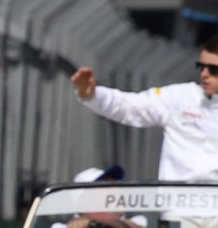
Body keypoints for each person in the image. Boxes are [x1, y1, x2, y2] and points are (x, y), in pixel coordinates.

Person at [71, 36, 218, 181]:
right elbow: (129, 106)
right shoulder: (179, 97)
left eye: (213, 69)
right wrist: (91, 94)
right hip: (173, 202)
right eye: (201, 67)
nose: (204, 74)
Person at [23, 164, 147, 228]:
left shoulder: (135, 223)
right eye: (105, 186)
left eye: (114, 184)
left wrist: (92, 222)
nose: (115, 189)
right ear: (83, 200)